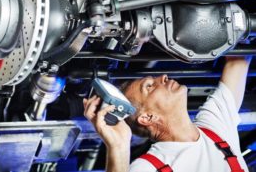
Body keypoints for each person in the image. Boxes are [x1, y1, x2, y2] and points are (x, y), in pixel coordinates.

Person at [84, 56, 251, 172]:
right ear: (148, 118)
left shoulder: (214, 125)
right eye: (149, 86)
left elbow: (238, 61)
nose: (163, 77)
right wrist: (118, 147)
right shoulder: (149, 166)